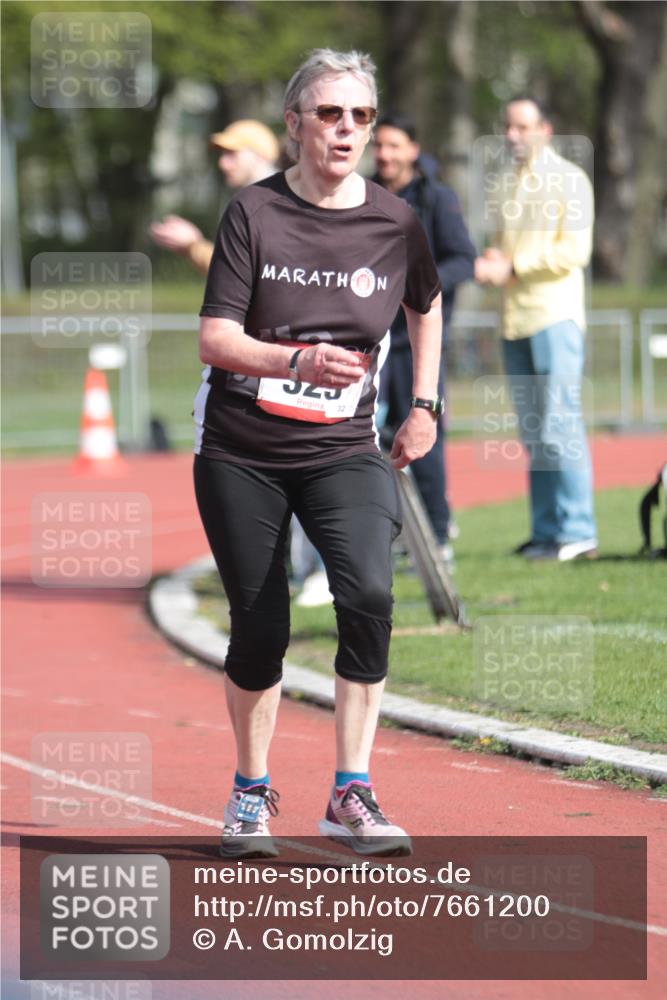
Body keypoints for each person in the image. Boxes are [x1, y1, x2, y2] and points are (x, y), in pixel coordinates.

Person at [193, 49, 442, 858]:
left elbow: (426, 307)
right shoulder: (251, 214)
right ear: (295, 124)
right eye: (330, 114)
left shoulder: (393, 220)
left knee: (368, 590)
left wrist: (426, 405)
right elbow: (216, 338)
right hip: (243, 450)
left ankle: (350, 791)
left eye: (360, 116)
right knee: (260, 625)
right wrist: (292, 361)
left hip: (344, 447)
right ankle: (250, 792)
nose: (345, 130)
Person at [475, 97, 597, 561]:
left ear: (545, 129)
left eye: (522, 126)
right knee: (534, 432)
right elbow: (500, 248)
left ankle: (579, 530)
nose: (512, 135)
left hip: (555, 316)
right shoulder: (502, 184)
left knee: (560, 424)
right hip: (515, 320)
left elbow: (576, 252)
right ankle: (548, 532)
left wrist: (513, 265)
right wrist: (492, 260)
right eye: (507, 126)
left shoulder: (570, 180)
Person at [373, 114, 476, 559]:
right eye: (379, 146)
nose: (384, 154)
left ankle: (437, 533)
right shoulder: (362, 194)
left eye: (394, 146)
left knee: (421, 431)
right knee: (371, 437)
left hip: (418, 342)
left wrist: (417, 285)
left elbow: (463, 260)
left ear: (413, 150)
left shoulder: (437, 199)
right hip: (371, 339)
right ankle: (391, 532)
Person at [149, 119, 279, 271]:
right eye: (223, 154)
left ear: (259, 156)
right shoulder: (253, 199)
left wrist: (193, 246)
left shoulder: (272, 204)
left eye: (232, 153)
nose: (222, 163)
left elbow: (241, 272)